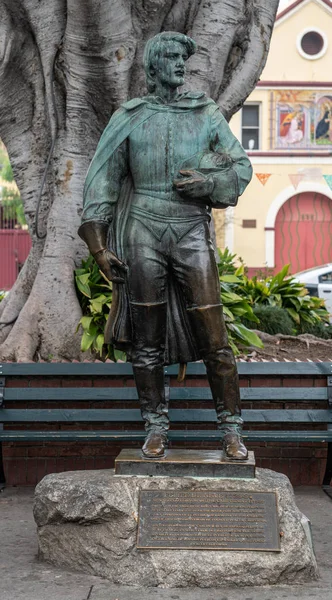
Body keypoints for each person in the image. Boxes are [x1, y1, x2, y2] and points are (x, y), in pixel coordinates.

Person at [78, 32, 253, 460]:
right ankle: (155, 425)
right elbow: (104, 177)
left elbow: (241, 165)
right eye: (171, 58)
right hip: (142, 229)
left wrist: (209, 183)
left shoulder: (206, 113)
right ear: (153, 67)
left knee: (216, 338)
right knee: (147, 339)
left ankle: (231, 429)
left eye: (183, 59)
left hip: (191, 228)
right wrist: (99, 246)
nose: (180, 65)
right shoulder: (131, 115)